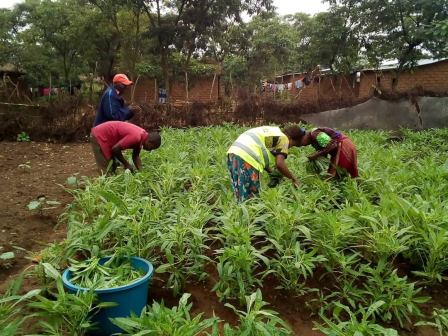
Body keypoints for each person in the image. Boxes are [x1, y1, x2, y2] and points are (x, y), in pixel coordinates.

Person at [227, 126, 302, 202]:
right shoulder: (285, 139)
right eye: (292, 145)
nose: (289, 148)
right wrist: (293, 179)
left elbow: (261, 155)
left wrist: (272, 172)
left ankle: (241, 210)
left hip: (234, 152)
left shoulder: (274, 133)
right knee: (252, 195)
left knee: (240, 190)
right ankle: (250, 212)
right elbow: (280, 163)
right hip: (246, 156)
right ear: (291, 139)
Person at [90, 121, 161, 174]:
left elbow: (135, 156)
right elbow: (115, 149)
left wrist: (141, 172)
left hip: (108, 137)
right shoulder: (136, 137)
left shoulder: (142, 136)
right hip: (100, 136)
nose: (149, 150)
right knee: (106, 169)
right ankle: (101, 190)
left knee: (113, 165)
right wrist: (126, 164)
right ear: (150, 143)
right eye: (151, 148)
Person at [289, 126, 358, 178]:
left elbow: (332, 145)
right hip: (337, 149)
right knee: (334, 173)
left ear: (303, 137)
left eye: (300, 143)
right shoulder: (313, 140)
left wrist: (316, 155)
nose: (302, 145)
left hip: (343, 145)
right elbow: (325, 150)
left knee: (342, 172)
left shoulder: (315, 134)